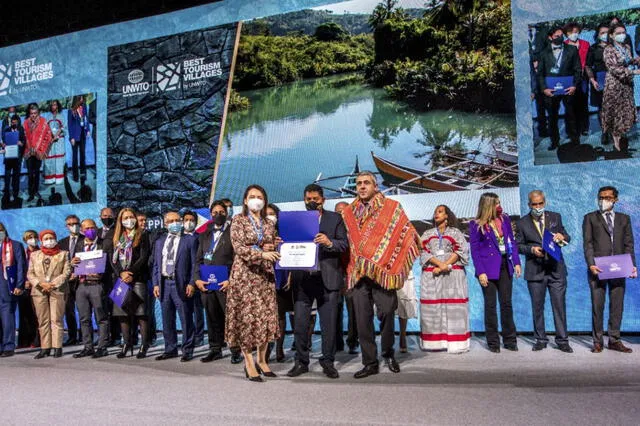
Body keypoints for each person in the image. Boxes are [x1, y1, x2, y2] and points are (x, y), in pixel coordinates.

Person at [342, 172, 420, 378]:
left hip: (383, 272)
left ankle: (388, 353)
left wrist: (396, 259)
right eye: (358, 183)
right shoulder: (348, 213)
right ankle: (369, 362)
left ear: (375, 186)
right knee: (362, 320)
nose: (362, 186)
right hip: (358, 274)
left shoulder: (392, 208)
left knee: (387, 311)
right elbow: (346, 243)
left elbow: (407, 233)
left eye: (366, 183)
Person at [286, 184, 348, 379]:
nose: (312, 202)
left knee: (329, 325)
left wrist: (329, 242)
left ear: (323, 200)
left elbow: (344, 244)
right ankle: (301, 362)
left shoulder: (335, 218)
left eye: (315, 199)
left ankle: (328, 361)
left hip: (327, 278)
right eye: (308, 199)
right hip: (303, 279)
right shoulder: (296, 219)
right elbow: (288, 244)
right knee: (301, 324)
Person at [225, 185, 280, 382]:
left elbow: (268, 243)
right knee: (247, 319)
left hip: (264, 276)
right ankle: (249, 363)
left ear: (264, 201)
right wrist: (261, 253)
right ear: (245, 200)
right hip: (244, 276)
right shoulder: (238, 220)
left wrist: (273, 246)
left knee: (265, 318)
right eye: (252, 196)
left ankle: (262, 360)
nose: (256, 199)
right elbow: (239, 247)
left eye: (259, 197)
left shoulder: (268, 223)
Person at [515, 190, 572, 353]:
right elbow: (518, 246)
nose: (538, 207)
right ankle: (540, 339)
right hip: (535, 270)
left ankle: (562, 340)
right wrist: (531, 249)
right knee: (537, 307)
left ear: (544, 202)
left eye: (540, 203)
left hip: (556, 270)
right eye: (534, 204)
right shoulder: (522, 223)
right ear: (529, 205)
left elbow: (567, 237)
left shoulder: (556, 217)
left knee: (559, 306)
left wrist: (563, 237)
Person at [583, 186, 637, 353]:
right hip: (598, 268)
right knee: (597, 306)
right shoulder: (590, 218)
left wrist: (632, 265)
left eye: (607, 197)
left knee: (617, 305)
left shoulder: (624, 219)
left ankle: (614, 340)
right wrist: (591, 263)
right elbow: (588, 243)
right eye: (601, 197)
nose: (603, 201)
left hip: (620, 268)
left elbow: (629, 244)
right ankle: (597, 341)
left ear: (615, 200)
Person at [469, 192, 521, 353]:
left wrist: (517, 262)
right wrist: (481, 272)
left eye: (500, 202)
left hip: (505, 265)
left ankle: (510, 340)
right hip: (487, 268)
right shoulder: (476, 224)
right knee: (490, 306)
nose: (500, 206)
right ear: (488, 205)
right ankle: (493, 342)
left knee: (506, 304)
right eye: (496, 203)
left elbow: (511, 241)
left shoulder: (504, 219)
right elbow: (475, 250)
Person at [194, 200, 242, 364]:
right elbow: (198, 260)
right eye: (214, 212)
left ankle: (236, 350)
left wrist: (231, 279)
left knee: (231, 318)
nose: (217, 215)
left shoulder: (233, 232)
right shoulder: (204, 233)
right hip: (207, 283)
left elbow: (238, 260)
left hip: (226, 282)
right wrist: (197, 280)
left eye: (221, 212)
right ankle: (215, 349)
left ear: (227, 213)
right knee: (212, 317)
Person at [419, 205, 469, 353]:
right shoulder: (427, 233)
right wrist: (440, 265)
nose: (437, 214)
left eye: (440, 212)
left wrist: (444, 266)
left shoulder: (456, 232)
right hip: (432, 275)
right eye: (435, 212)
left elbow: (461, 250)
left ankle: (456, 343)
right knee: (433, 307)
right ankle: (434, 343)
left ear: (447, 216)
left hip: (452, 275)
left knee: (454, 308)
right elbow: (422, 251)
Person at [153, 211, 198, 362]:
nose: (175, 223)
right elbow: (156, 265)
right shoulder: (160, 241)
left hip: (182, 284)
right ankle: (170, 348)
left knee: (186, 318)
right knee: (167, 319)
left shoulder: (189, 240)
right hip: (164, 283)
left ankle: (187, 350)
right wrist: (156, 284)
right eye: (171, 221)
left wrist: (192, 283)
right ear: (165, 224)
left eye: (178, 220)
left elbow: (194, 265)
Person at [112, 207, 151, 358]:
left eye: (131, 217)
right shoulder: (117, 238)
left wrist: (131, 273)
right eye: (125, 218)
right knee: (122, 314)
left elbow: (143, 257)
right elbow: (112, 260)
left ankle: (143, 345)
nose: (129, 220)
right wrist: (121, 273)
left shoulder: (143, 235)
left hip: (137, 279)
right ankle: (126, 343)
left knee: (141, 313)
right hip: (121, 280)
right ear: (120, 221)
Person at [28, 230, 72, 359]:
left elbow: (66, 272)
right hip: (39, 290)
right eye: (46, 238)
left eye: (51, 238)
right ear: (41, 240)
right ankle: (45, 347)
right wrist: (41, 284)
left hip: (58, 290)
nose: (49, 241)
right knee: (43, 320)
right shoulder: (34, 255)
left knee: (56, 319)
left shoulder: (64, 254)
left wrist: (52, 284)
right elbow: (30, 273)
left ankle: (57, 347)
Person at [537, 26, 582, 150]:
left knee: (571, 114)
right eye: (557, 36)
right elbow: (540, 74)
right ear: (550, 37)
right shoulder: (543, 53)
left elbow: (578, 69)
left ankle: (574, 140)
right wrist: (544, 89)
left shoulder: (572, 49)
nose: (560, 38)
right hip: (551, 90)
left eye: (561, 35)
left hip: (568, 88)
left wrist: (574, 85)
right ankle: (555, 141)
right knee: (552, 117)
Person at [72, 219, 110, 358]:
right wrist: (72, 263)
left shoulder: (104, 243)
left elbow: (110, 264)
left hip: (97, 285)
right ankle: (88, 346)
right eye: (87, 228)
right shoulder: (79, 245)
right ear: (82, 230)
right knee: (84, 318)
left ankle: (102, 346)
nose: (90, 230)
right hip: (82, 285)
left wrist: (101, 272)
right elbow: (74, 263)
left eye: (92, 227)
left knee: (101, 317)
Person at [601, 23, 640, 152]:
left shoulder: (627, 47)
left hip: (626, 86)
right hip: (615, 86)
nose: (622, 35)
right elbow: (613, 68)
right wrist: (633, 72)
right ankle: (617, 145)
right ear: (611, 35)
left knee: (625, 114)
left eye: (623, 32)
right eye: (618, 33)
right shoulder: (608, 49)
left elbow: (626, 62)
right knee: (616, 114)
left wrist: (634, 61)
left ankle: (623, 142)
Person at [334, 200, 358, 354]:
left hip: (351, 274)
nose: (341, 214)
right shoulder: (330, 229)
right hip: (335, 274)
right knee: (335, 309)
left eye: (344, 211)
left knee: (353, 311)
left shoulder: (355, 231)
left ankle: (352, 341)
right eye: (338, 212)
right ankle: (337, 342)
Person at [0, 223, 26, 357]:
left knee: (7, 316)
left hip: (7, 286)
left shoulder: (15, 245)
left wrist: (19, 285)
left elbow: (21, 266)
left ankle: (8, 345)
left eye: (0, 230)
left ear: (5, 230)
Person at [58, 214, 83, 346]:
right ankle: (72, 336)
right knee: (69, 310)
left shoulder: (87, 240)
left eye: (76, 223)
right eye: (70, 224)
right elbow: (58, 263)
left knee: (85, 310)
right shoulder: (61, 243)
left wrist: (78, 273)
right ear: (66, 226)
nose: (74, 226)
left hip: (82, 281)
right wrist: (69, 270)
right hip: (67, 282)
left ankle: (85, 336)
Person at [585, 24, 611, 145]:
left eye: (607, 32)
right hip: (599, 81)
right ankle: (605, 132)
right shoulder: (593, 48)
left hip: (615, 80)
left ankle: (617, 131)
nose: (604, 35)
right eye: (602, 33)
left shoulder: (614, 46)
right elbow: (588, 66)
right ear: (598, 34)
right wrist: (592, 80)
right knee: (602, 108)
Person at [563, 23, 591, 136]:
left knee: (583, 102)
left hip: (583, 77)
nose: (573, 34)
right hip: (570, 78)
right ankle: (571, 130)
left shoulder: (585, 44)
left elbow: (588, 61)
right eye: (570, 32)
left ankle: (584, 127)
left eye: (575, 31)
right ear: (566, 34)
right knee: (569, 104)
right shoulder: (563, 46)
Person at [23, 103, 52, 202]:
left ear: (38, 112)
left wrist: (41, 150)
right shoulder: (26, 123)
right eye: (31, 113)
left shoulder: (43, 122)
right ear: (29, 113)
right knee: (30, 174)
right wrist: (28, 148)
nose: (33, 115)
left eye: (35, 113)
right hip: (29, 152)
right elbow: (24, 137)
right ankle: (31, 193)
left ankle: (36, 191)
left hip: (39, 152)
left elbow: (48, 135)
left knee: (37, 173)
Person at [183, 210, 204, 345]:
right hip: (181, 279)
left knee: (197, 310)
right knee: (186, 312)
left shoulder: (200, 238)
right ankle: (188, 336)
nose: (188, 222)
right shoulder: (179, 237)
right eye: (186, 220)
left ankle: (199, 337)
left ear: (196, 222)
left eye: (191, 220)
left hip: (195, 278)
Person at [18, 230, 39, 348]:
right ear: (25, 240)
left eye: (35, 237)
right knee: (24, 314)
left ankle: (36, 340)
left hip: (36, 286)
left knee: (36, 315)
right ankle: (23, 341)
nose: (33, 239)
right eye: (30, 237)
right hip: (23, 287)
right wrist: (22, 283)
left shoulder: (41, 252)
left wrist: (33, 282)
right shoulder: (23, 252)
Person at [1, 115, 26, 204]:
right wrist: (3, 144)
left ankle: (15, 193)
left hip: (17, 158)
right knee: (7, 176)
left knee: (16, 176)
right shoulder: (7, 130)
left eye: (15, 122)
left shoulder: (21, 130)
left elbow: (24, 142)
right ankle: (6, 193)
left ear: (18, 122)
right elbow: (3, 141)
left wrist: (21, 143)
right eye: (12, 122)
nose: (13, 123)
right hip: (8, 157)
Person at [42, 100, 67, 185]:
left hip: (59, 140)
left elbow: (64, 127)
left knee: (59, 159)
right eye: (52, 105)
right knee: (50, 158)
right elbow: (45, 129)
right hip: (51, 140)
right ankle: (50, 178)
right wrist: (51, 136)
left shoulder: (61, 116)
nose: (53, 106)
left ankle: (59, 178)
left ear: (58, 106)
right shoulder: (48, 117)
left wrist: (57, 134)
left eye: (55, 105)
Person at [68, 95, 89, 182]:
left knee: (83, 155)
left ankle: (83, 174)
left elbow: (86, 119)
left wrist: (87, 130)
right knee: (75, 157)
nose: (82, 99)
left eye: (82, 98)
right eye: (80, 98)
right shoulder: (71, 110)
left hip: (82, 134)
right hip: (74, 136)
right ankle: (75, 176)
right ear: (77, 99)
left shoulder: (84, 107)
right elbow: (69, 124)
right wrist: (71, 137)